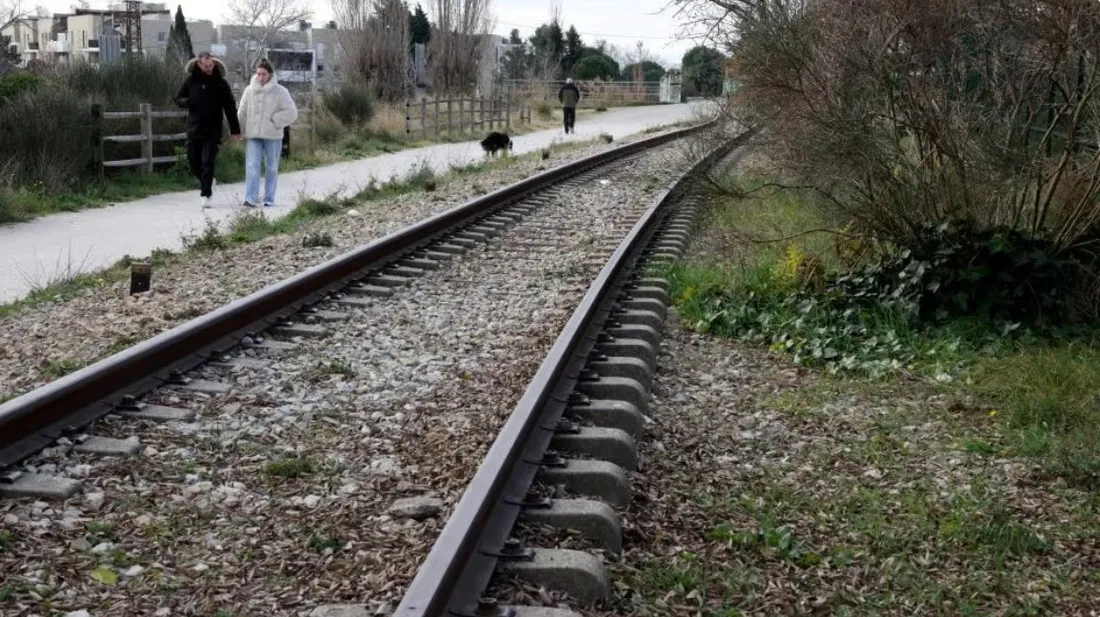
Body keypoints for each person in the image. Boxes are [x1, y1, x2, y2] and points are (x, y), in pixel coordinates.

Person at [175, 52, 241, 209]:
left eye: (211, 66)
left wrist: (235, 130)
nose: (209, 68)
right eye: (206, 66)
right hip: (194, 128)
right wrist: (188, 102)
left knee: (207, 162)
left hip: (213, 130)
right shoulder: (191, 81)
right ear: (199, 64)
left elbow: (230, 107)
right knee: (193, 162)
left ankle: (206, 194)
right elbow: (178, 98)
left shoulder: (221, 84)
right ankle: (208, 180)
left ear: (214, 64)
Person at [237, 58, 298, 208]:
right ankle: (250, 198)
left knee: (271, 167)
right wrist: (238, 130)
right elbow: (242, 112)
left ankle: (269, 198)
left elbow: (292, 112)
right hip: (252, 134)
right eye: (258, 74)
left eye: (263, 74)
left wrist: (275, 120)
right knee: (252, 165)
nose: (260, 77)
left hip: (272, 135)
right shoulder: (249, 90)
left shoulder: (281, 92)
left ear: (270, 74)